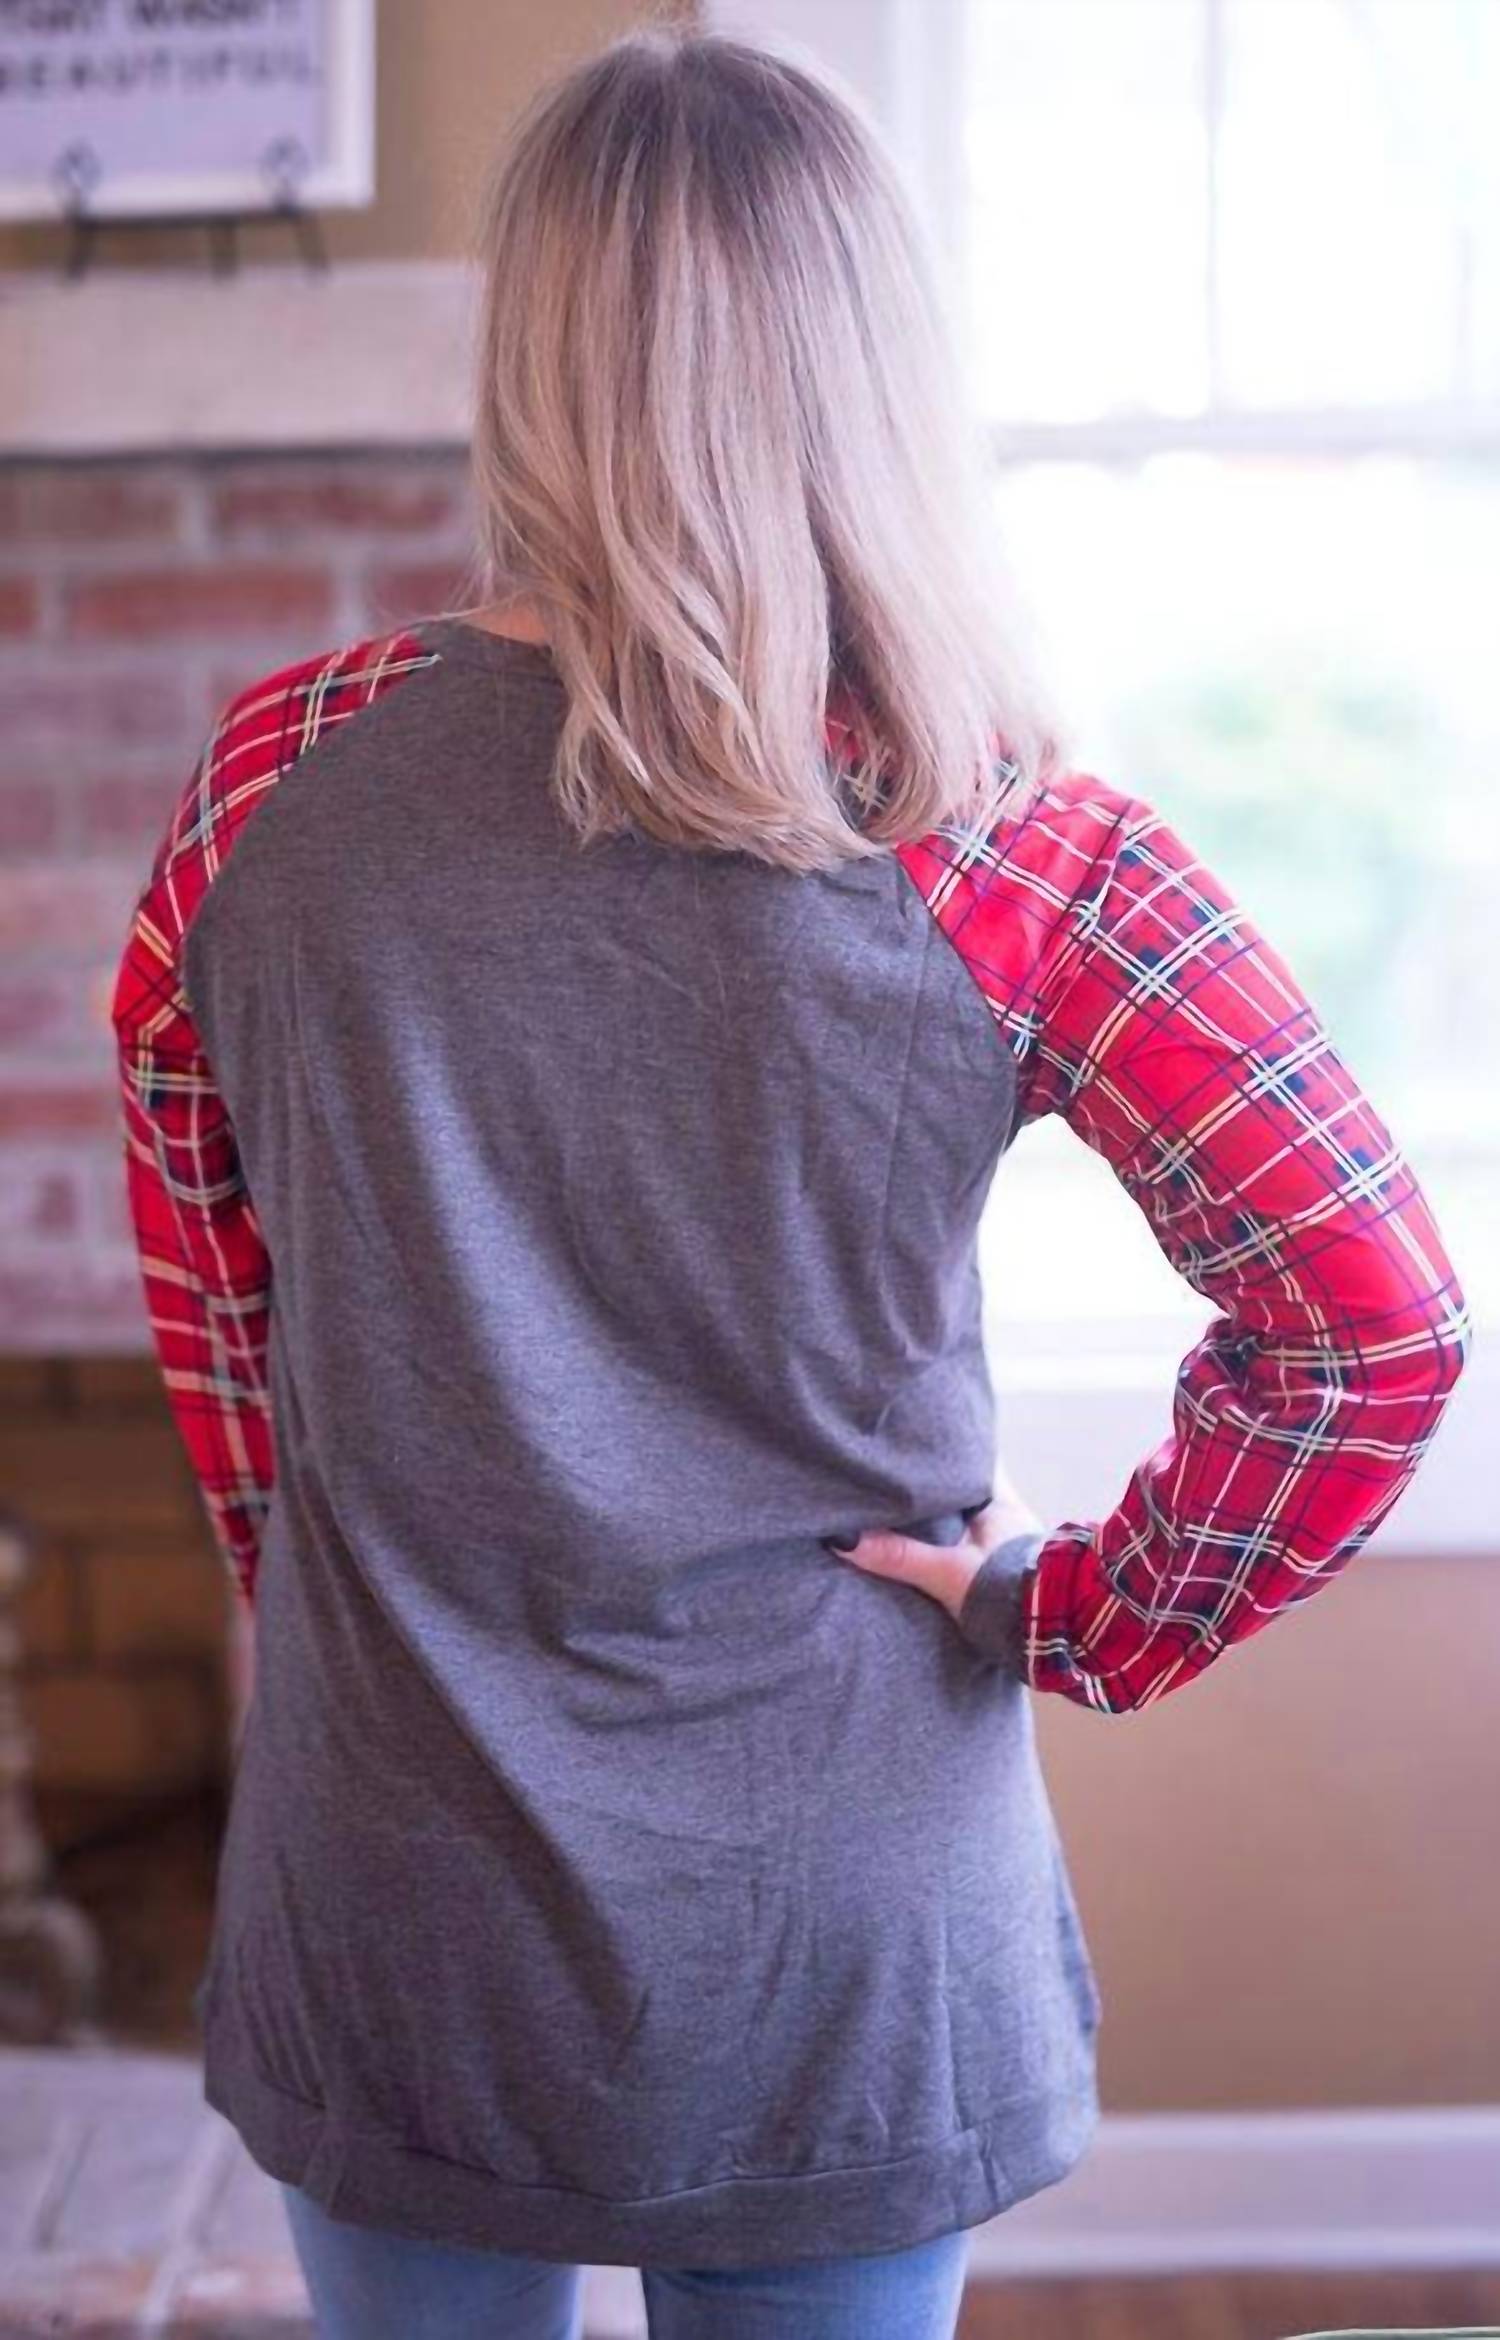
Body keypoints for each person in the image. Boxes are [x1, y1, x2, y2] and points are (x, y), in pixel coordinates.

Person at [108, 24, 1472, 2340]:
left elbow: (216, 1299)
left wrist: (333, 1587)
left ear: (528, 354)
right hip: (838, 1912)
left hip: (402, 1861)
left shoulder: (272, 788)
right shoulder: (1022, 844)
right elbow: (1378, 1326)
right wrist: (1087, 1613)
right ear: (873, 368)